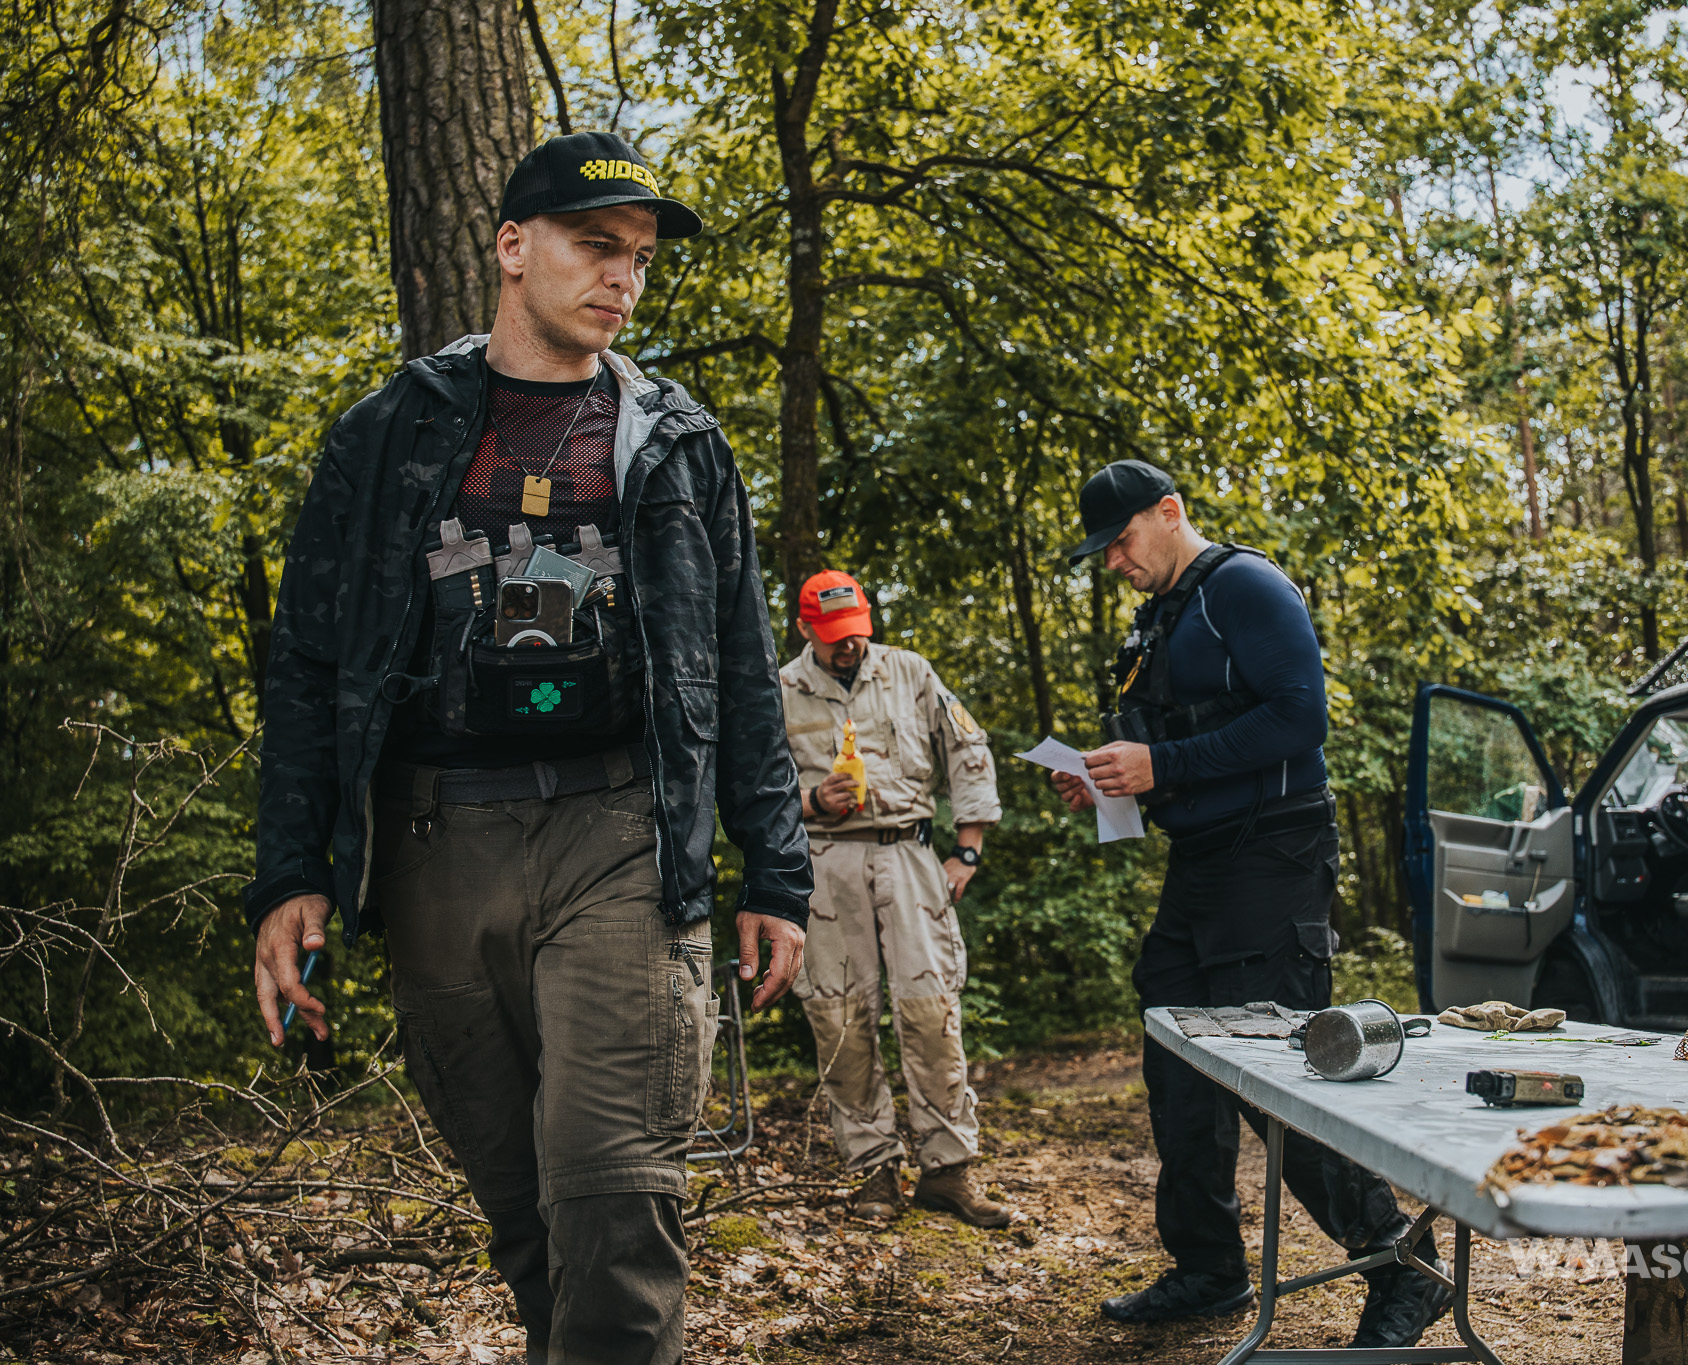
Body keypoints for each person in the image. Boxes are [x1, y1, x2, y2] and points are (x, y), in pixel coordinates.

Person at [245, 131, 811, 1365]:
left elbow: (738, 665)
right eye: (596, 246)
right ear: (512, 246)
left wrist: (776, 872)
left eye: (641, 258)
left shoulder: (678, 441)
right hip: (435, 843)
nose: (623, 277)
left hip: (620, 835)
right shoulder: (388, 434)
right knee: (523, 1213)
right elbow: (310, 664)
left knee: (613, 1199)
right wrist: (291, 870)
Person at [1053, 461, 1451, 1348]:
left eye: (1121, 540)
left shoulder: (1246, 587)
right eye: (1102, 550)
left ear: (1170, 511)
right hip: (1197, 863)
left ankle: (1403, 1267)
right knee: (1175, 1055)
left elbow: (1301, 718)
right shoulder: (1158, 618)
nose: (1113, 560)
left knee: (1283, 1069)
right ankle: (1209, 1267)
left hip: (1275, 855)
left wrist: (1163, 764)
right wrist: (1110, 776)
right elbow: (1179, 737)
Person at [779, 570, 1012, 1229]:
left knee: (931, 1007)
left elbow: (967, 747)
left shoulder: (910, 672)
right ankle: (873, 1170)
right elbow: (752, 787)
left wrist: (967, 848)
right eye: (832, 636)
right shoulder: (781, 689)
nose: (847, 646)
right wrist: (810, 800)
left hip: (909, 854)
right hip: (824, 861)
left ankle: (948, 1169)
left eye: (854, 632)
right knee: (839, 1015)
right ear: (805, 630)